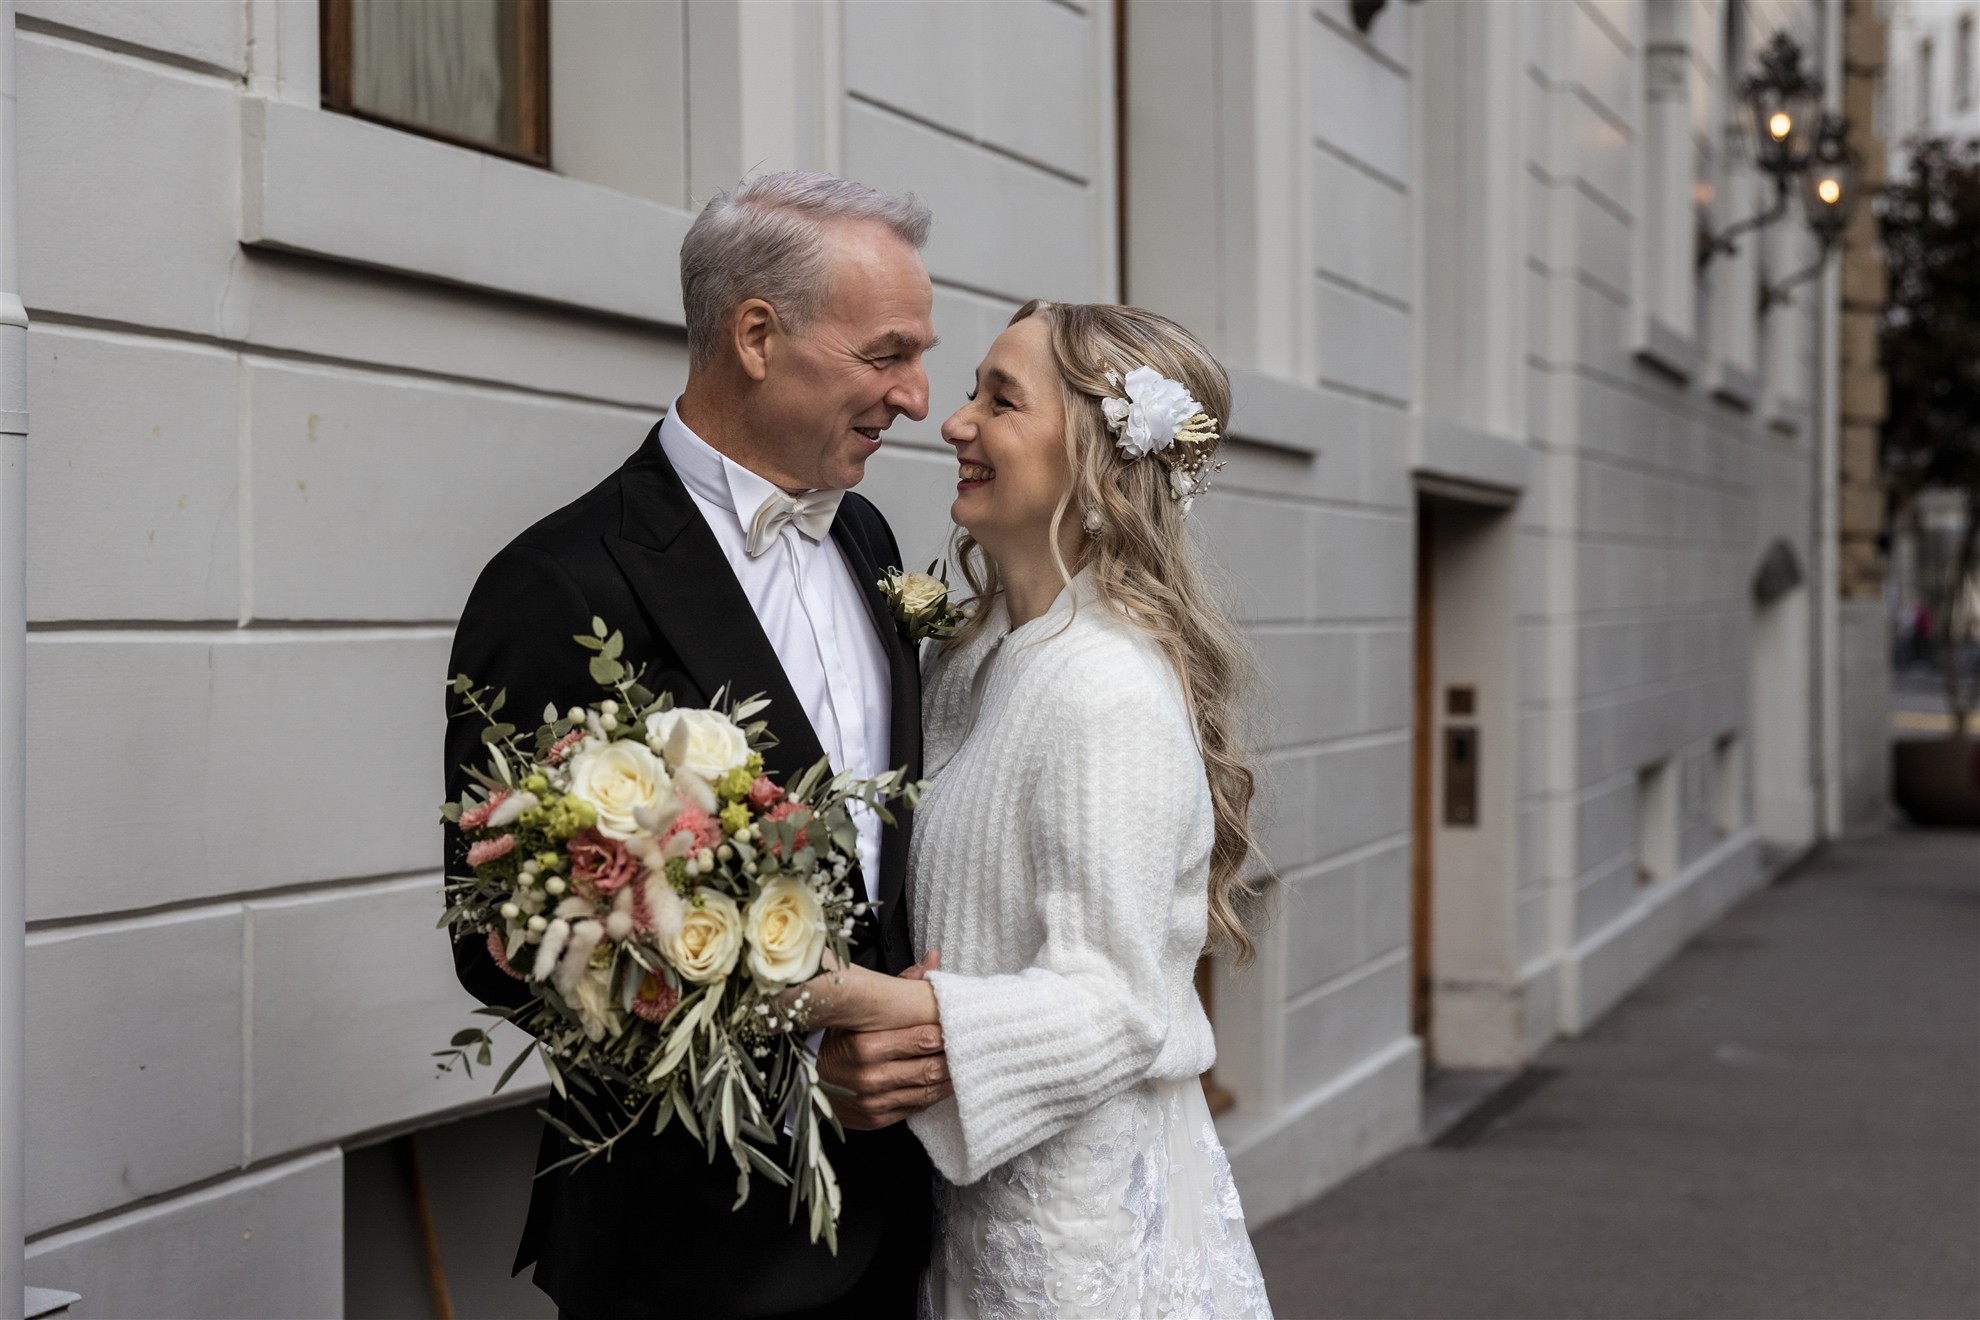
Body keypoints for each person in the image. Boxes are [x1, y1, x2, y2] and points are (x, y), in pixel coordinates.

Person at [444, 172, 951, 1320]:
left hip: (900, 1230)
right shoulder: (560, 581)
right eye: (887, 355)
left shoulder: (867, 532)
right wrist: (784, 1051)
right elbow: (503, 946)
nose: (917, 398)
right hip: (688, 1252)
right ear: (758, 336)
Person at [804, 301, 1276, 1317]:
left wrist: (879, 1010)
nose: (955, 422)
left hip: (1081, 1236)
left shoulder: (1105, 686)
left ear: (1097, 460)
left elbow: (1113, 1001)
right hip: (973, 1208)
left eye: (1000, 400)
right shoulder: (967, 662)